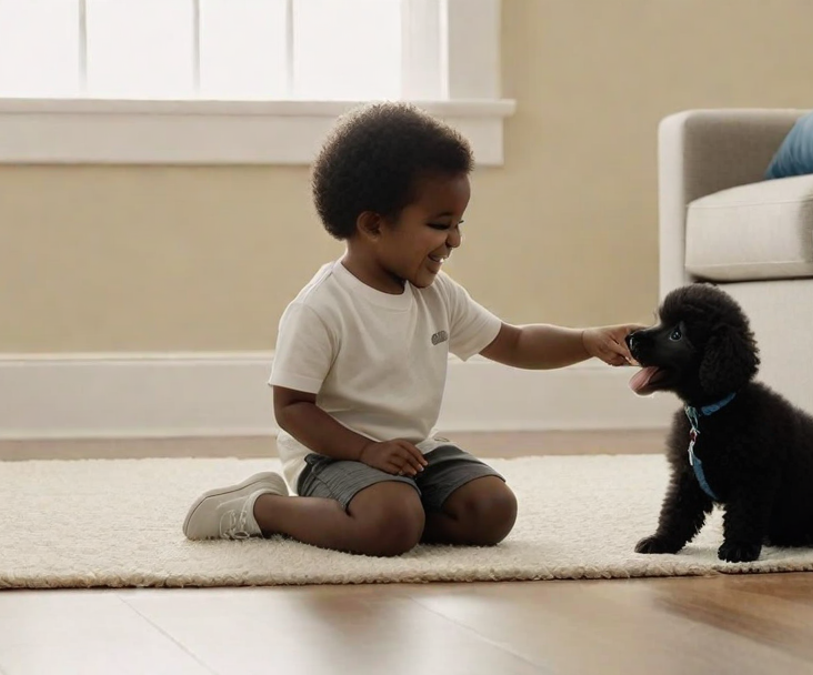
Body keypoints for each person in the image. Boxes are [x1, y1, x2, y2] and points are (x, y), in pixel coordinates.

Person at [183, 102, 641, 557]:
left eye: (459, 224)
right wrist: (365, 453)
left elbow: (514, 341)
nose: (455, 240)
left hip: (411, 451)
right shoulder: (321, 307)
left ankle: (389, 514)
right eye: (440, 225)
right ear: (374, 225)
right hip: (331, 455)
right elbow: (291, 408)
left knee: (493, 509)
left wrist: (586, 341)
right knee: (391, 523)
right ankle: (266, 508)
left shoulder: (437, 295)